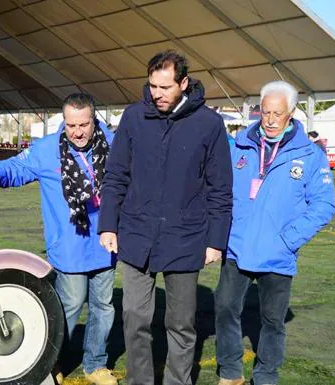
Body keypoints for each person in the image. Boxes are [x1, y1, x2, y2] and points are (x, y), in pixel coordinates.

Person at [98, 50, 233, 385]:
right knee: (134, 317)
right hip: (136, 235)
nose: (156, 93)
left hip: (186, 239)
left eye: (165, 87)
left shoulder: (209, 124)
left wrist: (216, 241)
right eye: (152, 86)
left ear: (183, 83)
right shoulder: (133, 117)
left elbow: (220, 188)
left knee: (181, 324)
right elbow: (115, 175)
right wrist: (108, 224)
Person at [0, 93, 118, 385]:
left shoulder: (113, 145)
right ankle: (53, 360)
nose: (77, 132)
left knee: (104, 306)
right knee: (69, 305)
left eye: (84, 124)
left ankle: (95, 364)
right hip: (69, 247)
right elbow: (16, 169)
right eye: (71, 125)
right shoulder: (47, 150)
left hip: (106, 244)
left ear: (94, 120)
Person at [215, 81, 335, 385]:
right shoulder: (240, 144)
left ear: (292, 113)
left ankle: (266, 375)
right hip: (236, 248)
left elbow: (324, 205)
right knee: (225, 309)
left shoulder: (310, 155)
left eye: (277, 113)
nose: (269, 119)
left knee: (272, 321)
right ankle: (230, 372)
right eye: (265, 112)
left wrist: (288, 239)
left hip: (278, 253)